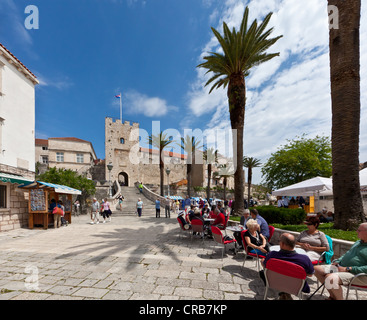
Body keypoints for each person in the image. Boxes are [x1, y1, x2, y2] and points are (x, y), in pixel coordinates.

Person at [313, 223, 367, 300]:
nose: (356, 231)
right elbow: (347, 254)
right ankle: (333, 296)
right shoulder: (358, 242)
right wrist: (338, 261)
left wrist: (348, 268)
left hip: (359, 274)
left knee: (331, 279)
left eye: (359, 230)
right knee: (317, 269)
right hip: (342, 268)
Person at [260, 233, 315, 300]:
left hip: (275, 283)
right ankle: (285, 293)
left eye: (279, 241)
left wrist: (262, 262)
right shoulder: (304, 259)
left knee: (263, 271)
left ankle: (284, 293)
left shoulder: (272, 255)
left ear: (282, 244)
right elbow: (310, 274)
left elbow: (265, 266)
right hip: (295, 287)